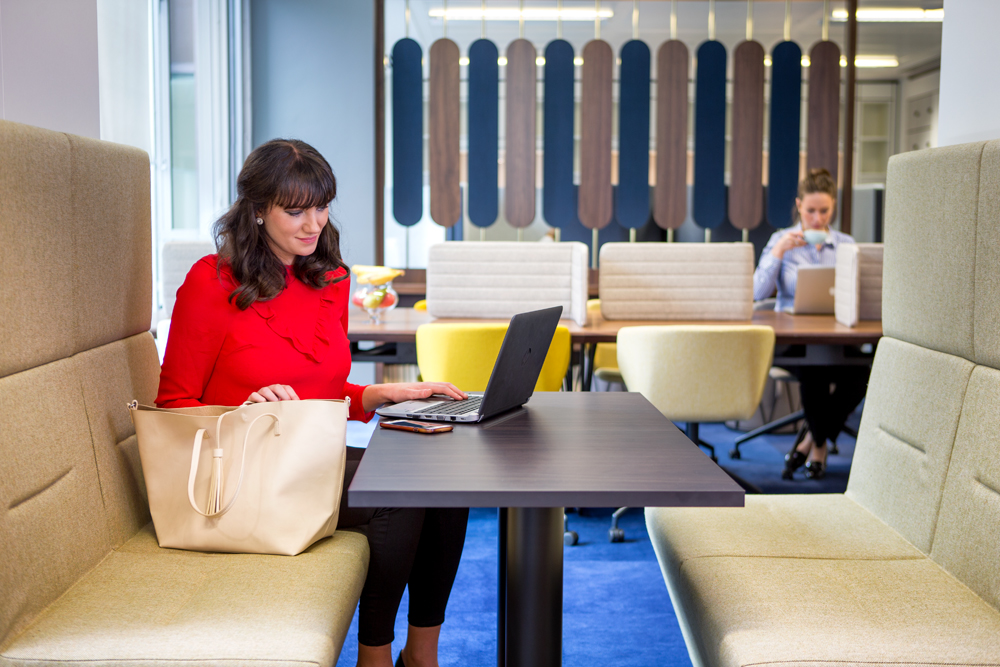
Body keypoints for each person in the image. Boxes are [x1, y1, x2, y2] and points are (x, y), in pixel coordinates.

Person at [157, 138, 469, 667]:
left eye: (321, 207)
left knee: (442, 474)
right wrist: (247, 412)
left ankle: (422, 653)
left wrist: (379, 393)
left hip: (303, 458)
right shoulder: (211, 284)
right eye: (295, 210)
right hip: (237, 476)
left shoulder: (330, 277)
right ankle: (374, 656)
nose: (314, 224)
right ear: (257, 210)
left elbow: (319, 391)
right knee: (401, 493)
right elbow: (172, 408)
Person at [752, 168, 870, 480]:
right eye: (810, 211)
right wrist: (778, 253)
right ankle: (819, 448)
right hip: (795, 342)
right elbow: (756, 292)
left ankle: (810, 440)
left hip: (838, 339)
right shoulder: (781, 240)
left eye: (825, 211)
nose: (817, 219)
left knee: (865, 372)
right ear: (798, 205)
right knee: (814, 370)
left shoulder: (846, 244)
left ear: (833, 207)